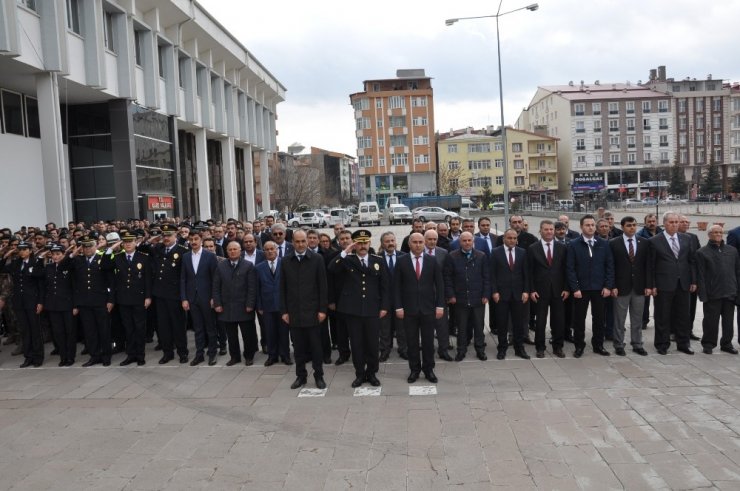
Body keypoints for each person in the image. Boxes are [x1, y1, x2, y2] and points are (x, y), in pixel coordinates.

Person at [329, 230, 389, 388]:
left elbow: (385, 286)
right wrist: (345, 251)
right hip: (352, 310)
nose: (362, 246)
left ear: (370, 243)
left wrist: (384, 307)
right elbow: (331, 269)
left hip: (372, 309)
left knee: (372, 343)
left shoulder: (378, 261)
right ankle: (360, 374)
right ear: (354, 244)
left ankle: (372, 373)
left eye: (365, 243)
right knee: (356, 344)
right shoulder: (346, 260)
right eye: (359, 243)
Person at [280, 230, 328, 390]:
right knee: (299, 349)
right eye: (297, 241)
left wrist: (322, 310)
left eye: (303, 241)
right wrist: (284, 311)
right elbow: (282, 288)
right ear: (292, 242)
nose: (300, 244)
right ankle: (301, 376)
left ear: (307, 241)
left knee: (316, 348)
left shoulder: (317, 259)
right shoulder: (286, 261)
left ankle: (319, 375)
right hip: (294, 313)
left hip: (313, 312)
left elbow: (323, 286)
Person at [395, 232, 445, 384]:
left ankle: (429, 369)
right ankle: (414, 370)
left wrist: (440, 305)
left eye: (420, 242)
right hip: (409, 309)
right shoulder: (401, 261)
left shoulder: (432, 261)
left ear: (424, 243)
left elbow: (440, 285)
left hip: (428, 308)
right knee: (412, 342)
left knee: (429, 341)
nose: (418, 245)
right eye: (415, 242)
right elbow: (396, 286)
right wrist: (398, 307)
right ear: (409, 244)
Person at [647, 212, 697, 355]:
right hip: (663, 284)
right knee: (662, 315)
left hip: (683, 283)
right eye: (671, 222)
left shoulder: (687, 239)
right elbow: (651, 266)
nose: (675, 224)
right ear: (664, 223)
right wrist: (653, 285)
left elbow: (691, 261)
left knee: (683, 315)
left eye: (677, 222)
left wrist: (693, 280)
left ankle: (683, 343)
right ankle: (662, 344)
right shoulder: (655, 241)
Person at [566, 215, 615, 358]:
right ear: (581, 227)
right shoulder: (573, 244)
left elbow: (609, 266)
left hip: (599, 288)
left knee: (599, 319)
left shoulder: (604, 244)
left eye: (593, 225)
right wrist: (575, 288)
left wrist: (608, 286)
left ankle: (598, 345)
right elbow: (570, 268)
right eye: (587, 225)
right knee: (579, 319)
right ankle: (579, 346)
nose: (591, 227)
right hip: (581, 290)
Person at [141, 224, 190, 364]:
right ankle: (167, 353)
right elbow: (142, 248)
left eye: (169, 235)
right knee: (163, 326)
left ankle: (182, 352)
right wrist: (153, 239)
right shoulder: (158, 248)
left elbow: (184, 276)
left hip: (175, 295)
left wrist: (183, 296)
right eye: (164, 235)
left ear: (176, 236)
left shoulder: (183, 251)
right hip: (160, 294)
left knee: (178, 325)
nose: (166, 238)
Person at [102, 232, 152, 366]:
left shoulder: (144, 257)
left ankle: (140, 355)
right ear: (122, 244)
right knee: (128, 328)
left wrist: (148, 296)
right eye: (125, 242)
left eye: (131, 241)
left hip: (139, 298)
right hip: (123, 299)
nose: (128, 244)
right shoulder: (117, 257)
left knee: (140, 328)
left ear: (136, 242)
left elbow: (147, 279)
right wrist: (111, 248)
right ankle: (131, 355)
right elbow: (104, 266)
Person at [445, 232, 491, 362]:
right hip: (460, 299)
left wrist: (486, 294)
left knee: (478, 326)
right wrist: (451, 295)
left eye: (469, 240)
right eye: (464, 240)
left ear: (473, 241)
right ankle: (461, 350)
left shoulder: (481, 256)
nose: (467, 243)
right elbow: (447, 278)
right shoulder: (452, 256)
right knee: (462, 326)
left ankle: (480, 350)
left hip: (478, 298)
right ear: (460, 242)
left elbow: (487, 277)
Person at [69, 235, 114, 367]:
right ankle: (94, 356)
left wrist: (111, 300)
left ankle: (106, 356)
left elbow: (111, 281)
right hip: (84, 302)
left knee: (104, 330)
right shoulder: (78, 261)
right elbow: (64, 268)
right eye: (84, 246)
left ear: (96, 246)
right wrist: (73, 254)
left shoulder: (102, 259)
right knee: (90, 331)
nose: (87, 249)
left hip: (101, 301)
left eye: (90, 246)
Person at [696, 225, 740, 355]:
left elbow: (737, 271)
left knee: (728, 322)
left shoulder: (732, 251)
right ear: (709, 235)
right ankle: (708, 344)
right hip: (712, 293)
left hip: (730, 292)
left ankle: (726, 343)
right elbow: (701, 275)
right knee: (710, 321)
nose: (718, 234)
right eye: (715, 232)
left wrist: (738, 291)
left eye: (720, 232)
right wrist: (703, 295)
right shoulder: (702, 252)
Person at [527, 220, 569, 358]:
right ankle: (540, 347)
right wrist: (531, 290)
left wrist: (566, 288)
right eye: (546, 229)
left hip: (558, 291)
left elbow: (566, 270)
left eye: (551, 229)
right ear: (540, 231)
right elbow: (530, 271)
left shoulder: (562, 248)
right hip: (540, 291)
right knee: (540, 321)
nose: (549, 232)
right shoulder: (533, 248)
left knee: (558, 321)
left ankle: (558, 347)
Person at [212, 241, 258, 366]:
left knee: (247, 334)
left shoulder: (248, 266)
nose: (232, 251)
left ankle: (249, 356)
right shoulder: (221, 266)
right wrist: (217, 304)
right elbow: (216, 287)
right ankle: (235, 357)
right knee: (231, 335)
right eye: (230, 249)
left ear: (240, 250)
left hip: (244, 306)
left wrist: (250, 304)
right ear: (226, 251)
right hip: (227, 307)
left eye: (235, 249)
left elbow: (252, 288)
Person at [609, 216, 649, 356]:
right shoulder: (614, 243)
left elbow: (647, 267)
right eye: (629, 225)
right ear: (622, 227)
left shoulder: (644, 243)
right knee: (619, 318)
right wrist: (612, 285)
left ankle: (637, 344)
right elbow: (611, 266)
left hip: (639, 287)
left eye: (634, 225)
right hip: (621, 287)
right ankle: (619, 344)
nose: (632, 227)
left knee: (637, 318)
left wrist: (648, 285)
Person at [1, 241, 45, 367]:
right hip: (19, 302)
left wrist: (40, 302)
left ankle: (38, 357)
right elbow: (2, 268)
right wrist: (4, 256)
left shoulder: (36, 262)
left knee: (35, 329)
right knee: (24, 330)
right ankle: (28, 356)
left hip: (32, 301)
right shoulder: (15, 263)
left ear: (30, 250)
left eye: (25, 249)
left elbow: (40, 285)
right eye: (20, 249)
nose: (22, 251)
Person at [180, 231, 219, 366]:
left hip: (207, 297)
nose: (193, 241)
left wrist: (214, 297)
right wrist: (184, 298)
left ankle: (212, 353)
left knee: (210, 327)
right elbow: (183, 279)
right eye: (191, 239)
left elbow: (215, 279)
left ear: (201, 240)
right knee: (198, 328)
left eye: (196, 239)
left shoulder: (209, 256)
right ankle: (199, 354)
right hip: (192, 298)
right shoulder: (185, 257)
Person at [490, 229, 530, 360]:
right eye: (509, 238)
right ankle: (502, 348)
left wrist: (526, 291)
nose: (512, 240)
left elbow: (526, 274)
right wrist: (494, 291)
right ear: (504, 239)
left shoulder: (522, 252)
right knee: (502, 323)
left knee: (518, 323)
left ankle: (520, 348)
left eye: (514, 238)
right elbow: (492, 274)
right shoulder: (496, 252)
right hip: (501, 294)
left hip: (518, 294)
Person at [256, 241, 291, 366]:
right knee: (269, 332)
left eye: (272, 248)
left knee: (284, 332)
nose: (270, 251)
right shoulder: (259, 267)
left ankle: (285, 355)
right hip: (267, 305)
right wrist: (259, 305)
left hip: (282, 306)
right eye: (267, 249)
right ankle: (272, 356)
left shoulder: (285, 264)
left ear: (277, 250)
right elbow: (257, 288)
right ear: (264, 251)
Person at [42, 244, 76, 366]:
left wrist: (75, 305)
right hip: (53, 305)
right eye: (53, 254)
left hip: (67, 304)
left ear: (63, 254)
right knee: (58, 332)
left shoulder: (69, 265)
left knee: (70, 332)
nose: (55, 256)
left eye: (58, 254)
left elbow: (74, 287)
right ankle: (63, 356)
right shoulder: (49, 267)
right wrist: (42, 257)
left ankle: (70, 357)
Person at [378, 232, 407, 361]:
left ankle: (403, 349)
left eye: (392, 240)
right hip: (384, 300)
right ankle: (385, 350)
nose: (390, 243)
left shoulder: (404, 257)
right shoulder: (377, 258)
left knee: (402, 327)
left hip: (401, 299)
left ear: (396, 242)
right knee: (384, 327)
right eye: (387, 241)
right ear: (382, 243)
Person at [678, 215, 701, 341]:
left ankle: (689, 330)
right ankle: (675, 331)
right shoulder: (671, 238)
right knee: (677, 308)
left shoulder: (693, 237)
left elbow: (695, 259)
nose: (686, 224)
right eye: (683, 222)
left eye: (687, 222)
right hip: (676, 278)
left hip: (690, 278)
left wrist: (695, 280)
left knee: (691, 307)